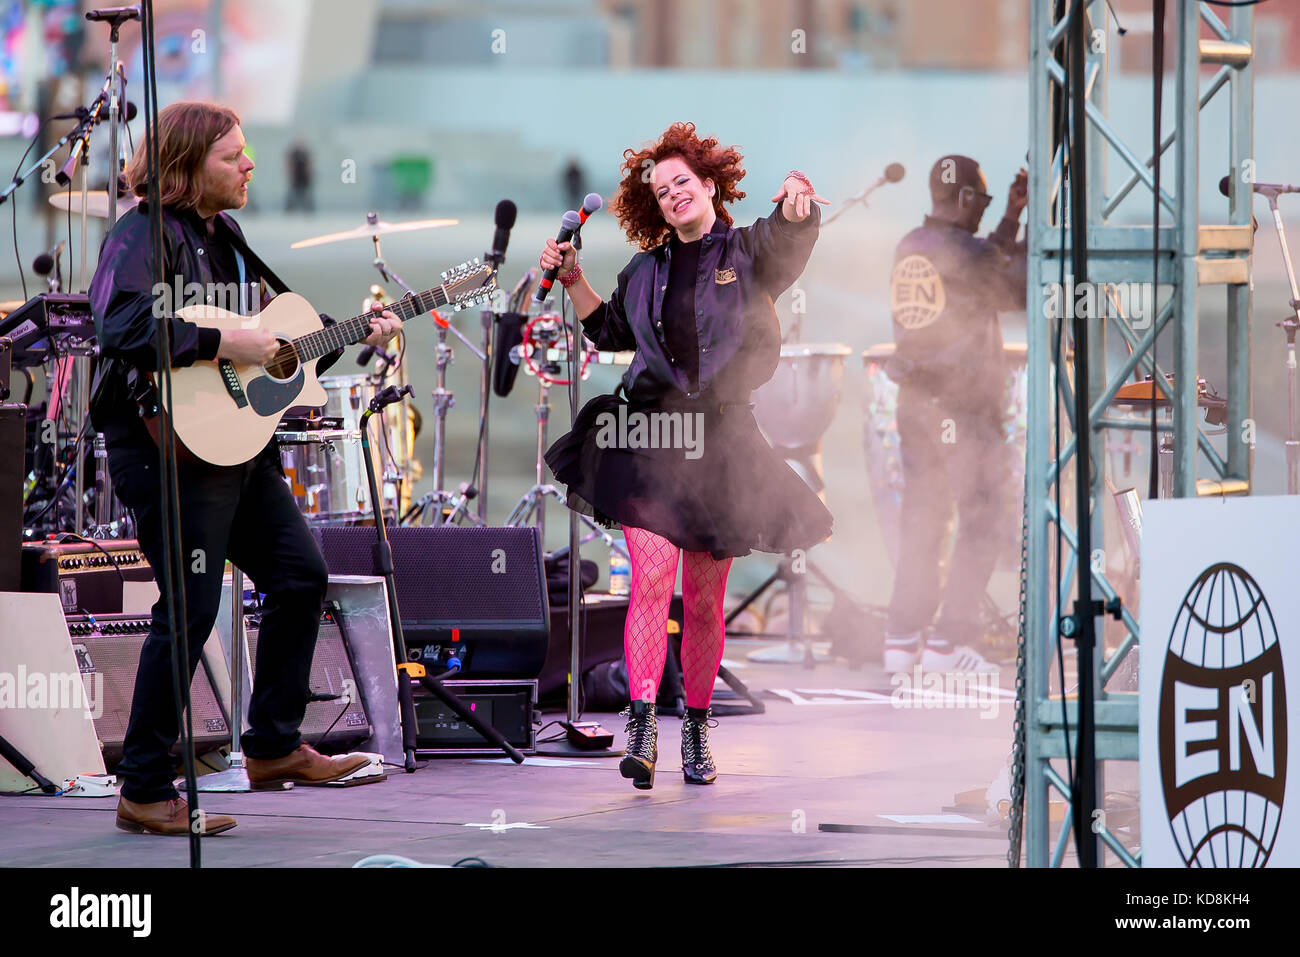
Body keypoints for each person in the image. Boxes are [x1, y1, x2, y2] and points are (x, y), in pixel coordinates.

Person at [89, 102, 401, 835]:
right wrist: (226, 347)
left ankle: (271, 744)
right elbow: (122, 324)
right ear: (189, 166)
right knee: (192, 610)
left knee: (300, 575)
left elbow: (275, 342)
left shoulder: (225, 236)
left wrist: (348, 332)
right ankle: (141, 786)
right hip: (165, 446)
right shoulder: (141, 235)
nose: (251, 164)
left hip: (235, 445)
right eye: (234, 155)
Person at [539, 122, 832, 790]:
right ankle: (642, 722)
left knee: (703, 602)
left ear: (708, 186)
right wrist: (576, 278)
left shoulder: (746, 248)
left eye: (682, 183)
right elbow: (608, 329)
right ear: (654, 207)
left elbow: (789, 240)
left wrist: (796, 206)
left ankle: (695, 728)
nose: (673, 195)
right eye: (661, 190)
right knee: (652, 573)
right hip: (648, 438)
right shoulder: (644, 271)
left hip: (723, 445)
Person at [882, 154, 1028, 675]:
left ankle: (902, 640)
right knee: (983, 517)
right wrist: (1043, 219)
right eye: (982, 202)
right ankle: (951, 643)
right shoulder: (967, 253)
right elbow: (1016, 286)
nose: (983, 211)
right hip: (962, 410)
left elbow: (984, 261)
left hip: (916, 406)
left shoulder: (912, 245)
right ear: (966, 199)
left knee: (924, 521)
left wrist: (1011, 218)